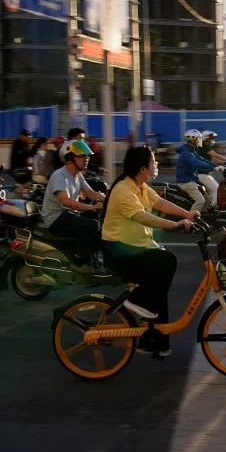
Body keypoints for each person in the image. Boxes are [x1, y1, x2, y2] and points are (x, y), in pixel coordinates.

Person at [101, 146, 197, 357]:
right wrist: (174, 225)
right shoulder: (123, 191)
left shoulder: (141, 187)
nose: (156, 166)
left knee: (158, 290)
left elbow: (160, 203)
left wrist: (188, 215)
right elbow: (144, 217)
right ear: (143, 168)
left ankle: (155, 342)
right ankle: (136, 301)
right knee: (166, 261)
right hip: (119, 251)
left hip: (135, 246)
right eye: (154, 162)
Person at [41, 140, 106, 274]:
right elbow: (66, 202)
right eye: (82, 156)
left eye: (87, 156)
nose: (86, 159)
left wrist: (110, 199)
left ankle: (89, 258)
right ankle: (77, 258)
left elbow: (91, 193)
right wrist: (91, 207)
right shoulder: (59, 175)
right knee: (94, 225)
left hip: (69, 215)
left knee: (100, 223)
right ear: (70, 158)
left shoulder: (78, 175)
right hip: (56, 218)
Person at [176, 129, 222, 213]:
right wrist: (213, 168)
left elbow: (203, 160)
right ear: (191, 140)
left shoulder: (191, 150)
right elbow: (197, 163)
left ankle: (203, 217)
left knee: (207, 199)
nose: (199, 141)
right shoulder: (187, 153)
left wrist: (218, 166)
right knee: (200, 200)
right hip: (186, 182)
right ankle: (191, 220)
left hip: (192, 181)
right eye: (198, 139)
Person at [196, 130, 226, 207]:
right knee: (216, 190)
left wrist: (224, 162)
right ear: (205, 139)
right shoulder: (203, 146)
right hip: (202, 174)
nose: (212, 141)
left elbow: (213, 159)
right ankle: (213, 209)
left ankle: (209, 207)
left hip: (203, 174)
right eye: (211, 139)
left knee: (210, 192)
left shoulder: (203, 148)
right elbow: (216, 155)